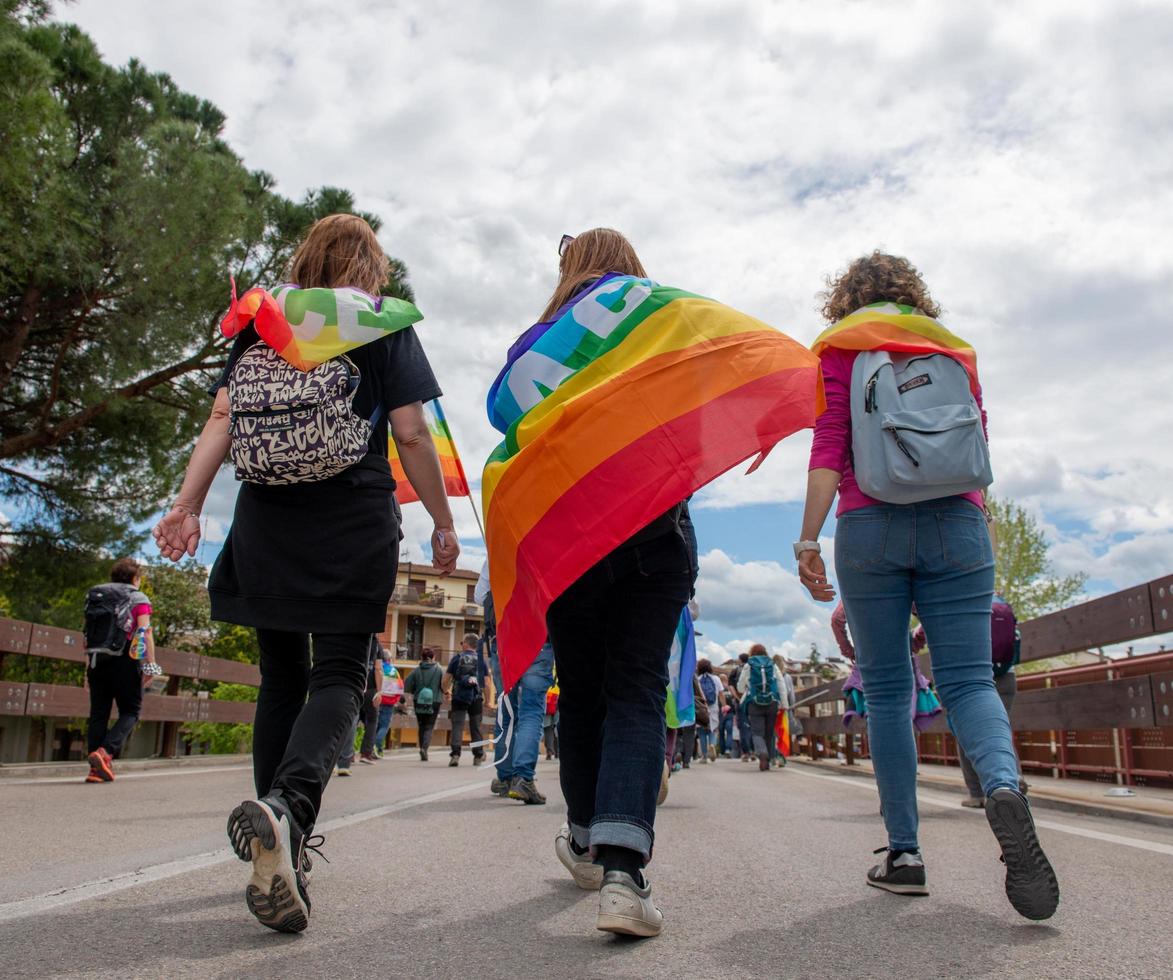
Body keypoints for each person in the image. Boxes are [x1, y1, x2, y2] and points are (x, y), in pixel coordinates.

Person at [153, 213, 460, 933]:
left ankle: (278, 833)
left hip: (267, 518)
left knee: (281, 678)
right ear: (369, 269)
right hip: (351, 516)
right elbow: (411, 431)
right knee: (340, 674)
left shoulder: (265, 320)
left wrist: (187, 506)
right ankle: (287, 812)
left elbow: (223, 417)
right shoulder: (378, 322)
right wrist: (443, 522)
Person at [795, 251, 1058, 919]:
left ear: (844, 299)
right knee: (969, 681)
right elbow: (978, 446)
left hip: (869, 525)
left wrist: (806, 542)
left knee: (887, 690)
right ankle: (1002, 786)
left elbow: (828, 445)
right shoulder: (953, 349)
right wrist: (980, 535)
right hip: (959, 521)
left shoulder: (839, 352)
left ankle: (904, 854)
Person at [522, 230, 697, 938]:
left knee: (585, 695)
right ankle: (624, 872)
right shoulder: (664, 320)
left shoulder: (541, 343)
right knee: (634, 692)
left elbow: (520, 437)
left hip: (571, 541)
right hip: (655, 535)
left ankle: (587, 837)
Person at [82, 558, 159, 783]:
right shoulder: (137, 598)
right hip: (125, 659)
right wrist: (150, 665)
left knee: (98, 714)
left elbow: (86, 634)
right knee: (131, 711)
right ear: (136, 578)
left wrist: (86, 668)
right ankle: (105, 753)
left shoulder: (96, 595)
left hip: (96, 660)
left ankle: (94, 771)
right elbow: (144, 631)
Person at [490, 640, 555, 804]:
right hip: (537, 641)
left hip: (503, 642)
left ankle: (505, 779)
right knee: (531, 712)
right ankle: (523, 779)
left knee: (505, 713)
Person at [336, 637, 382, 776]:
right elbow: (378, 669)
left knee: (349, 720)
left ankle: (339, 758)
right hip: (367, 687)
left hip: (345, 680)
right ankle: (362, 755)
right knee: (372, 721)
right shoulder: (375, 643)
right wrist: (380, 691)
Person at [736, 644, 786, 771]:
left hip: (754, 702)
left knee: (757, 732)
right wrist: (784, 704)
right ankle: (767, 760)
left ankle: (762, 753)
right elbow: (781, 685)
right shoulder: (772, 664)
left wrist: (746, 688)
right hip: (772, 703)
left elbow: (740, 687)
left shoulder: (749, 665)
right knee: (769, 733)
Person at [443, 633, 487, 767]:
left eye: (462, 643)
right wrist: (488, 699)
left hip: (459, 697)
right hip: (476, 697)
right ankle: (478, 755)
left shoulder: (457, 659)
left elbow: (446, 679)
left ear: (466, 644)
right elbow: (487, 682)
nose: (461, 645)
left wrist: (446, 691)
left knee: (457, 726)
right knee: (476, 727)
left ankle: (455, 755)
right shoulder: (481, 660)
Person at [404, 647, 444, 760]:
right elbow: (444, 684)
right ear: (433, 657)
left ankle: (421, 746)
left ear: (422, 657)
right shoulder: (439, 670)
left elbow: (407, 685)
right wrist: (444, 692)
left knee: (421, 726)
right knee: (429, 726)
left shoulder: (416, 670)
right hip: (435, 701)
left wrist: (414, 691)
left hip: (419, 701)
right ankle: (424, 749)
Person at [373, 645, 404, 756]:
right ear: (389, 659)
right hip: (389, 702)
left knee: (374, 724)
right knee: (384, 726)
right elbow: (400, 687)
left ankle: (374, 747)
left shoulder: (377, 669)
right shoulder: (394, 671)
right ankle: (376, 745)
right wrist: (396, 699)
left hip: (378, 699)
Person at [695, 659, 725, 762]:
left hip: (701, 707)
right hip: (714, 707)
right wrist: (724, 705)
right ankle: (712, 744)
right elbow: (721, 693)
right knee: (713, 729)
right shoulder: (716, 679)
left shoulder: (697, 679)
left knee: (702, 731)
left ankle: (704, 756)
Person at [543, 683, 560, 760]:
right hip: (558, 698)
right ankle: (558, 752)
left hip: (547, 699)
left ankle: (549, 751)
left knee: (547, 728)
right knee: (557, 726)